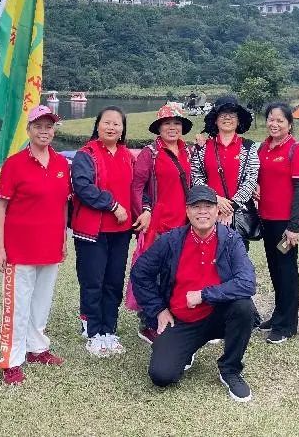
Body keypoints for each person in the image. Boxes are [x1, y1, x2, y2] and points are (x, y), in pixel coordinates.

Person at [131, 184, 256, 403]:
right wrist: (158, 309)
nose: (202, 212)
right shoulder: (171, 240)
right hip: (183, 319)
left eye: (208, 206)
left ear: (217, 211)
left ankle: (230, 369)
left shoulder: (231, 239)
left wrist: (204, 295)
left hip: (218, 315)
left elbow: (247, 283)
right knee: (161, 375)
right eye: (196, 207)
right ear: (187, 212)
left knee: (244, 307)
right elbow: (140, 272)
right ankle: (186, 350)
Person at [0, 106, 70, 385]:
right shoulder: (13, 164)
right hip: (19, 248)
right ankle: (11, 360)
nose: (44, 132)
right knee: (18, 306)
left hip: (50, 246)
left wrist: (63, 238)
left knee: (41, 302)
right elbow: (0, 207)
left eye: (49, 127)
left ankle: (37, 348)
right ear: (29, 130)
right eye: (38, 126)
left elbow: (62, 205)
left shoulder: (62, 164)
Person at [70, 106, 142, 357]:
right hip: (92, 230)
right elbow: (83, 187)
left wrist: (143, 212)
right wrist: (112, 205)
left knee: (114, 281)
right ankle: (92, 332)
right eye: (107, 122)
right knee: (93, 281)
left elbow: (137, 188)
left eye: (117, 124)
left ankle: (109, 329)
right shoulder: (86, 154)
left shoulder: (127, 155)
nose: (111, 127)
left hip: (120, 231)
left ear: (123, 129)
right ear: (97, 125)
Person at [130, 104, 193, 343]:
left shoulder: (187, 151)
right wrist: (143, 212)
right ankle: (148, 322)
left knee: (175, 273)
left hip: (183, 223)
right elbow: (137, 187)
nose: (172, 127)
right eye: (167, 123)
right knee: (153, 273)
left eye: (177, 123)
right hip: (158, 224)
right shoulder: (150, 153)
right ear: (159, 127)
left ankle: (171, 317)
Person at [256, 102, 299, 344]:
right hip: (266, 219)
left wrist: (294, 226)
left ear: (289, 124)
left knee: (287, 272)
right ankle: (279, 314)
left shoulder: (296, 150)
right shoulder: (263, 148)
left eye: (280, 120)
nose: (274, 124)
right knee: (275, 269)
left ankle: (287, 325)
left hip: (285, 222)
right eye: (271, 119)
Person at [189, 95, 259, 240]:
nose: (227, 118)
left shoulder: (248, 147)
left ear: (238, 120)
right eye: (222, 114)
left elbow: (251, 179)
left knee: (237, 252)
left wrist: (231, 207)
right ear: (215, 119)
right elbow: (196, 176)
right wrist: (215, 200)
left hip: (237, 214)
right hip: (208, 214)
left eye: (232, 115)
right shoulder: (203, 147)